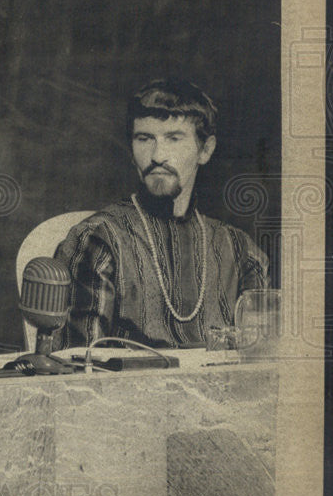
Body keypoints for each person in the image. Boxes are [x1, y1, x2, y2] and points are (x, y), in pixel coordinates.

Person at [54, 79, 270, 349]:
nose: (157, 155)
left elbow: (263, 366)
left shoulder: (241, 251)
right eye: (144, 139)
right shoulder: (98, 240)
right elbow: (81, 370)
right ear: (132, 152)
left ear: (205, 150)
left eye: (173, 138)